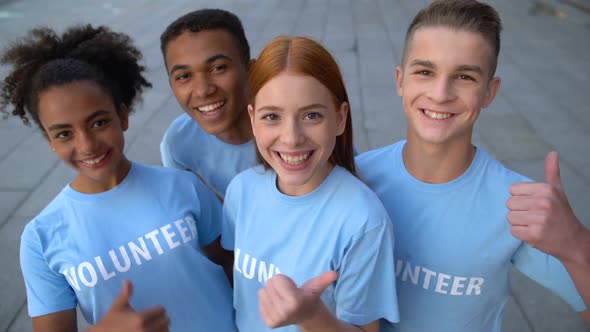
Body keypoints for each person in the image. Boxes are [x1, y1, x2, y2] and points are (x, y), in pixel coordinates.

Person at [355, 0, 590, 331]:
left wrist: (577, 243)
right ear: (400, 81)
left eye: (464, 76)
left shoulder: (516, 204)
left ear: (489, 93)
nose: (440, 93)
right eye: (425, 71)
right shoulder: (359, 178)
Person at [1, 25, 236, 331]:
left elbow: (235, 265)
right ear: (50, 141)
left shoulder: (184, 186)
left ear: (122, 116)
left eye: (98, 122)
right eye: (64, 133)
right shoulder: (41, 238)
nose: (86, 145)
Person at [221, 35, 399, 332]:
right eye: (272, 116)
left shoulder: (363, 221)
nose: (291, 138)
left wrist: (311, 316)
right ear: (253, 119)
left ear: (341, 118)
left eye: (312, 115)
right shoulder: (241, 190)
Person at [159, 9, 256, 200]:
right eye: (184, 76)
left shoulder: (289, 127)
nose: (203, 90)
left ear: (250, 69)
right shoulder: (179, 143)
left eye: (218, 68)